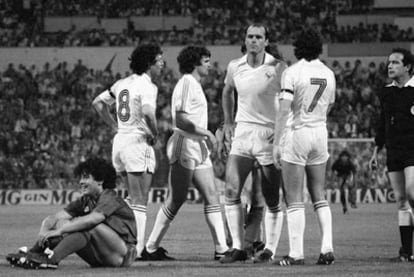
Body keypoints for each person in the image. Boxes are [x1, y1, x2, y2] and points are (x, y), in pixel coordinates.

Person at [143, 45, 229, 261]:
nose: (209, 64)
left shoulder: (195, 84)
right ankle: (150, 247)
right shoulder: (186, 83)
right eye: (206, 60)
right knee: (176, 199)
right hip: (184, 142)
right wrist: (208, 133)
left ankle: (222, 249)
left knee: (211, 197)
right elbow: (180, 120)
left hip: (196, 146)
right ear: (195, 62)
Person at [220, 23, 287, 263]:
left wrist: (281, 132)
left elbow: (289, 102)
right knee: (230, 190)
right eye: (250, 36)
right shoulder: (234, 66)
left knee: (271, 197)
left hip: (268, 135)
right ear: (245, 39)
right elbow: (227, 92)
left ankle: (269, 248)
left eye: (258, 37)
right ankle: (238, 247)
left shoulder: (278, 67)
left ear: (266, 41)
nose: (253, 41)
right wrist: (228, 122)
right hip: (243, 133)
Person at [92, 43, 164, 259]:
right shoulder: (147, 85)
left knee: (132, 199)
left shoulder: (121, 83)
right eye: (160, 60)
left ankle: (126, 242)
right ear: (150, 63)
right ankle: (138, 249)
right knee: (140, 199)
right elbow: (149, 113)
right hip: (137, 141)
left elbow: (97, 103)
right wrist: (155, 134)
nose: (162, 65)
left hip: (120, 142)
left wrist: (114, 125)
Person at [273, 28, 336, 266]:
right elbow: (329, 105)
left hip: (298, 132)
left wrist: (277, 144)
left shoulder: (292, 72)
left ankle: (296, 253)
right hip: (320, 133)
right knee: (319, 194)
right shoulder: (329, 73)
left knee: (294, 197)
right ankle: (327, 248)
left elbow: (284, 111)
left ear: (297, 47)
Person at [6, 158, 137, 269]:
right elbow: (54, 218)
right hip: (99, 257)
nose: (81, 182)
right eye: (80, 178)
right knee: (64, 223)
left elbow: (93, 219)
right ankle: (32, 254)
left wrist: (60, 231)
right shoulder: (86, 200)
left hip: (122, 255)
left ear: (100, 181)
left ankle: (51, 260)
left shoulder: (110, 196)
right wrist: (44, 231)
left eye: (85, 177)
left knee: (85, 225)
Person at [369, 47, 414, 262]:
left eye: (395, 62)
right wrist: (375, 151)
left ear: (407, 67)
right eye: (389, 62)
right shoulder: (386, 92)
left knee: (412, 192)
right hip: (393, 150)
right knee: (401, 201)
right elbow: (382, 124)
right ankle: (406, 251)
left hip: (412, 150)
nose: (390, 66)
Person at [332, 150, 358, 214]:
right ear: (340, 157)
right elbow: (333, 170)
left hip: (348, 176)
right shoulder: (337, 162)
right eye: (343, 156)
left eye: (345, 156)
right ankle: (344, 206)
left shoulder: (350, 163)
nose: (344, 158)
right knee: (342, 191)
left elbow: (354, 173)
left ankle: (352, 202)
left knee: (351, 187)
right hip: (340, 176)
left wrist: (354, 182)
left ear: (348, 157)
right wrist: (333, 180)